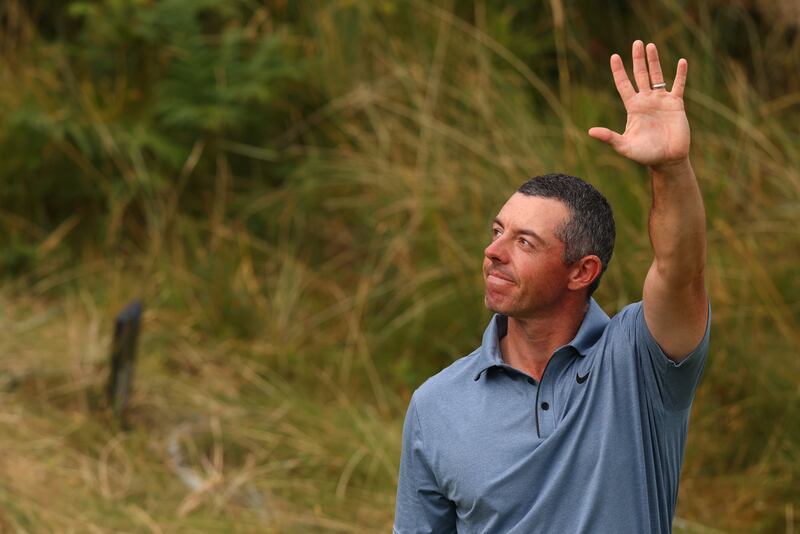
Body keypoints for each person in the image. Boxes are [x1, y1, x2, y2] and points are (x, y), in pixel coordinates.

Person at [393, 40, 710, 533]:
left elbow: (681, 270)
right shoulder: (436, 405)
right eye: (497, 231)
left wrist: (670, 169)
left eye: (525, 241)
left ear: (581, 272)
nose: (494, 252)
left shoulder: (640, 362)